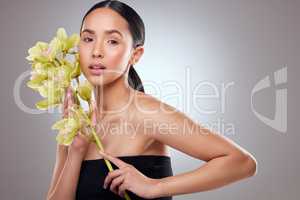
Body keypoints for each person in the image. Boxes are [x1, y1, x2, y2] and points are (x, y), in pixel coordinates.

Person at [46, 1, 257, 199]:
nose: (97, 52)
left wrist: (155, 186)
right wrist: (76, 151)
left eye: (112, 41)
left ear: (135, 55)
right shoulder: (76, 124)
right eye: (88, 39)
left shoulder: (145, 112)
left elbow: (242, 162)